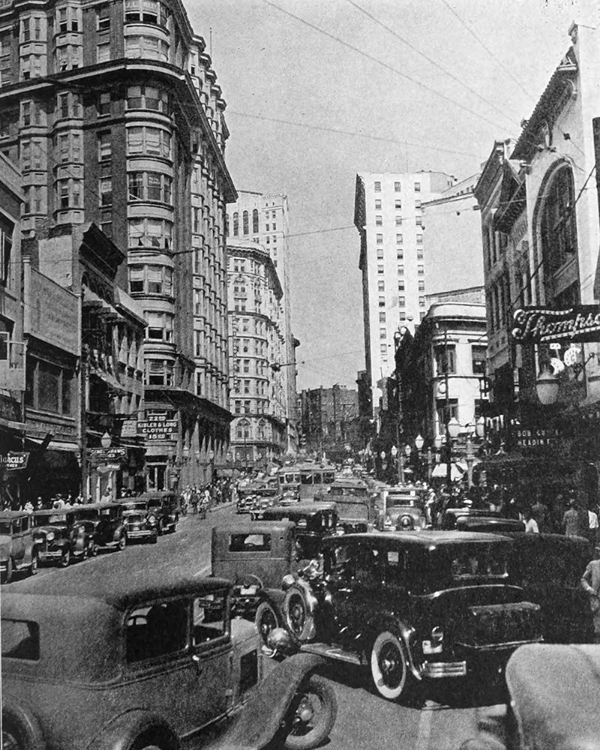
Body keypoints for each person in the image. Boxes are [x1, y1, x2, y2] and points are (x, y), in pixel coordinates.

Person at [581, 556, 600, 642]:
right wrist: (589, 589)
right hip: (596, 599)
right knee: (597, 627)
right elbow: (583, 579)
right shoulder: (593, 564)